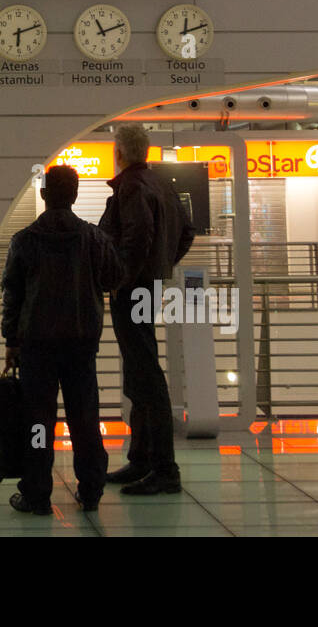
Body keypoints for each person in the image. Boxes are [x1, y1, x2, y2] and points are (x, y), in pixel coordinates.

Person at [1, 164, 120, 514]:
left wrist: (11, 341)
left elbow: (13, 294)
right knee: (84, 417)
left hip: (36, 345)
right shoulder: (94, 239)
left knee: (38, 420)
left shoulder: (24, 240)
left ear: (43, 195)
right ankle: (92, 490)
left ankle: (37, 493)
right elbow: (114, 276)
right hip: (81, 342)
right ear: (76, 195)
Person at [98, 123, 195, 495]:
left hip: (132, 289)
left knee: (146, 373)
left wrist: (123, 278)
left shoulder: (132, 187)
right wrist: (163, 265)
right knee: (140, 370)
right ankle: (141, 458)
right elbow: (186, 232)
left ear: (119, 153)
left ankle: (164, 468)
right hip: (149, 286)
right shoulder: (159, 184)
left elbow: (137, 237)